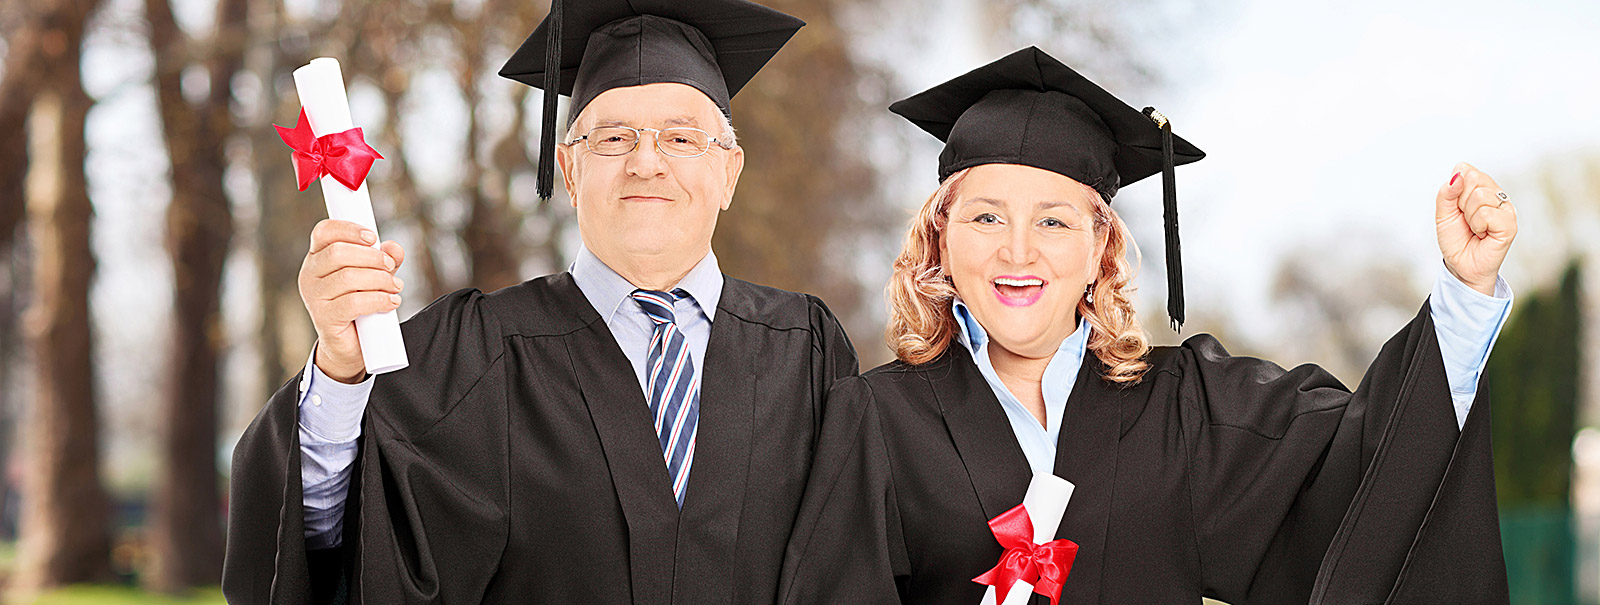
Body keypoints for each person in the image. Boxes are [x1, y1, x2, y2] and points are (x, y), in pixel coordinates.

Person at [778, 46, 1514, 604]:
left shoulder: (1190, 407)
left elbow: (1365, 472)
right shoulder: (871, 419)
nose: (1017, 250)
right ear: (940, 239)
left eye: (1055, 220)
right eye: (985, 216)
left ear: (1102, 246)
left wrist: (1463, 295)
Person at [222, 1, 859, 602]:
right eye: (612, 139)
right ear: (569, 170)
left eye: (682, 139)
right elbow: (331, 547)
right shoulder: (467, 357)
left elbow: (864, 563)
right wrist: (339, 371)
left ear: (729, 173)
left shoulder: (806, 352)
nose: (646, 163)